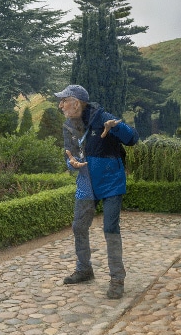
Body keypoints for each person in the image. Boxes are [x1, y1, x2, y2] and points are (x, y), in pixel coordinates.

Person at [55, 84, 139, 299]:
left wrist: (116, 128)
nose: (60, 105)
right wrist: (71, 163)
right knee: (79, 226)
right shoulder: (69, 126)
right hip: (86, 182)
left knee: (110, 228)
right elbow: (69, 154)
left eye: (64, 100)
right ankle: (84, 269)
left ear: (76, 102)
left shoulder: (102, 117)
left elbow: (132, 139)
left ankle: (117, 279)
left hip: (111, 182)